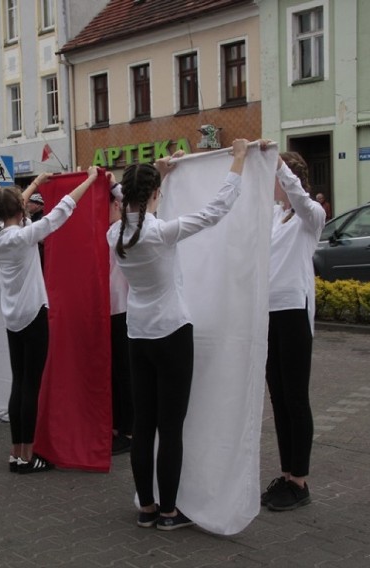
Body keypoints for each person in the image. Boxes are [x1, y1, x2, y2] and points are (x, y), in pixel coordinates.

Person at [108, 139, 251, 530]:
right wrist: (237, 160)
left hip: (137, 335)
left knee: (144, 426)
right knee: (171, 427)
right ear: (155, 194)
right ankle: (170, 511)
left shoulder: (114, 236)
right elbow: (215, 211)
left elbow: (136, 209)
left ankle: (147, 508)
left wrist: (159, 175)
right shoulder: (160, 233)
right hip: (171, 333)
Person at [0, 166, 98, 474]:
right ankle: (27, 457)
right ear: (21, 210)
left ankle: (16, 452)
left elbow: (11, 207)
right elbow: (63, 210)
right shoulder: (26, 236)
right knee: (31, 387)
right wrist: (89, 180)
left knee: (19, 382)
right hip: (33, 315)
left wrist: (36, 183)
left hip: (12, 317)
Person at [259, 149, 326, 512]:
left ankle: (300, 480)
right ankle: (286, 475)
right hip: (268, 313)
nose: (271, 185)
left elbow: (299, 198)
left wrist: (278, 164)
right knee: (279, 397)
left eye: (275, 178)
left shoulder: (311, 215)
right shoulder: (273, 215)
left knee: (296, 397)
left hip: (294, 312)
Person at [107, 173, 133, 456]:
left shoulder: (125, 230)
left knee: (124, 373)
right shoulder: (107, 231)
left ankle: (129, 429)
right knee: (114, 371)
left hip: (124, 309)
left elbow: (133, 203)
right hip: (109, 309)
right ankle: (117, 426)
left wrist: (115, 186)